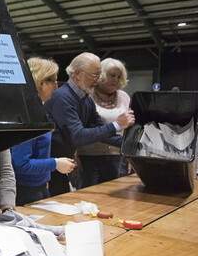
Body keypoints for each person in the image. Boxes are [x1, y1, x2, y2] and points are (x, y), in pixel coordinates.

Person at [44, 52, 135, 196]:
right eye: (95, 75)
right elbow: (77, 136)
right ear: (78, 74)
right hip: (50, 167)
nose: (98, 80)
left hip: (61, 166)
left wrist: (133, 145)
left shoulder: (85, 99)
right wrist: (117, 125)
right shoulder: (63, 97)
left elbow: (101, 132)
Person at [11, 58, 76, 205]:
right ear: (41, 83)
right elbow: (20, 163)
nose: (56, 85)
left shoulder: (38, 111)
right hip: (25, 191)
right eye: (53, 80)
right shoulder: (27, 115)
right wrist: (55, 164)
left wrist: (45, 178)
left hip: (37, 186)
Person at [76, 58, 131, 188]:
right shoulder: (87, 96)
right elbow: (83, 129)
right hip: (89, 156)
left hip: (118, 156)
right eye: (112, 75)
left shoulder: (124, 96)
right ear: (102, 75)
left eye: (119, 76)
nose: (116, 79)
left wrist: (130, 152)